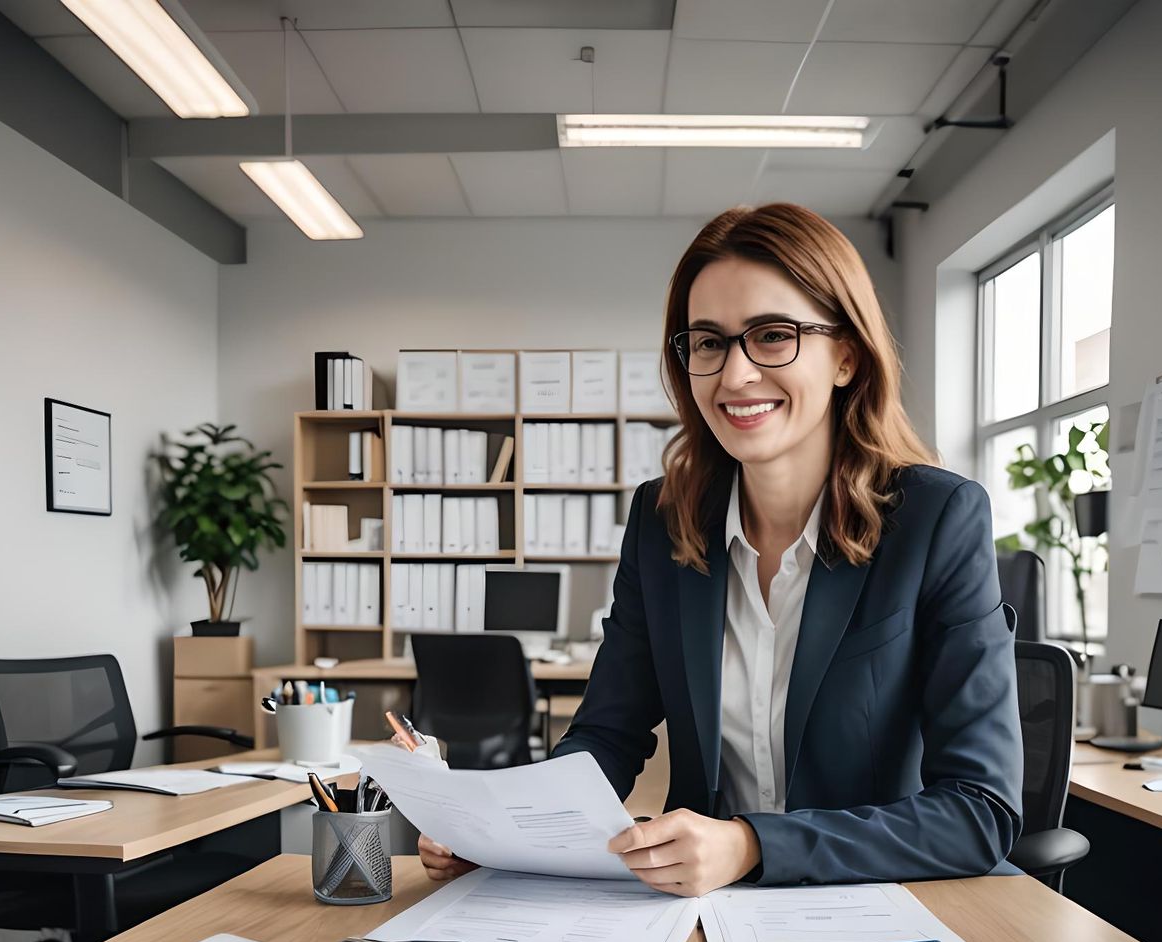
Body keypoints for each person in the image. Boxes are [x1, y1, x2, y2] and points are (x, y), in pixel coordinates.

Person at [421, 202, 1022, 896]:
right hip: (706, 913)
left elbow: (981, 811)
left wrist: (751, 844)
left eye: (772, 336)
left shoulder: (936, 519)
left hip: (879, 904)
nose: (734, 376)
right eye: (708, 342)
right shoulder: (663, 519)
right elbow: (608, 736)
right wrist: (506, 830)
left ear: (847, 357)